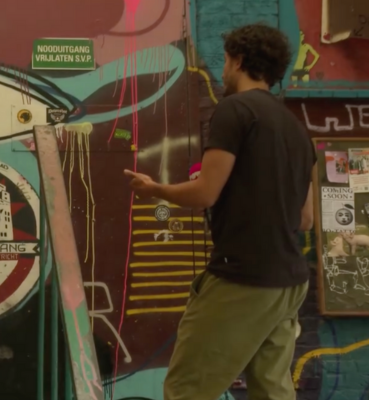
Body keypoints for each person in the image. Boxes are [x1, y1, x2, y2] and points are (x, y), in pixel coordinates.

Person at [125, 24, 315, 400]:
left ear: (239, 61)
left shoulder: (235, 110)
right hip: (290, 282)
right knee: (271, 390)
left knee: (187, 388)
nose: (224, 70)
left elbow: (204, 193)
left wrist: (154, 189)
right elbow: (306, 219)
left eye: (226, 61)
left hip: (243, 278)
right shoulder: (296, 128)